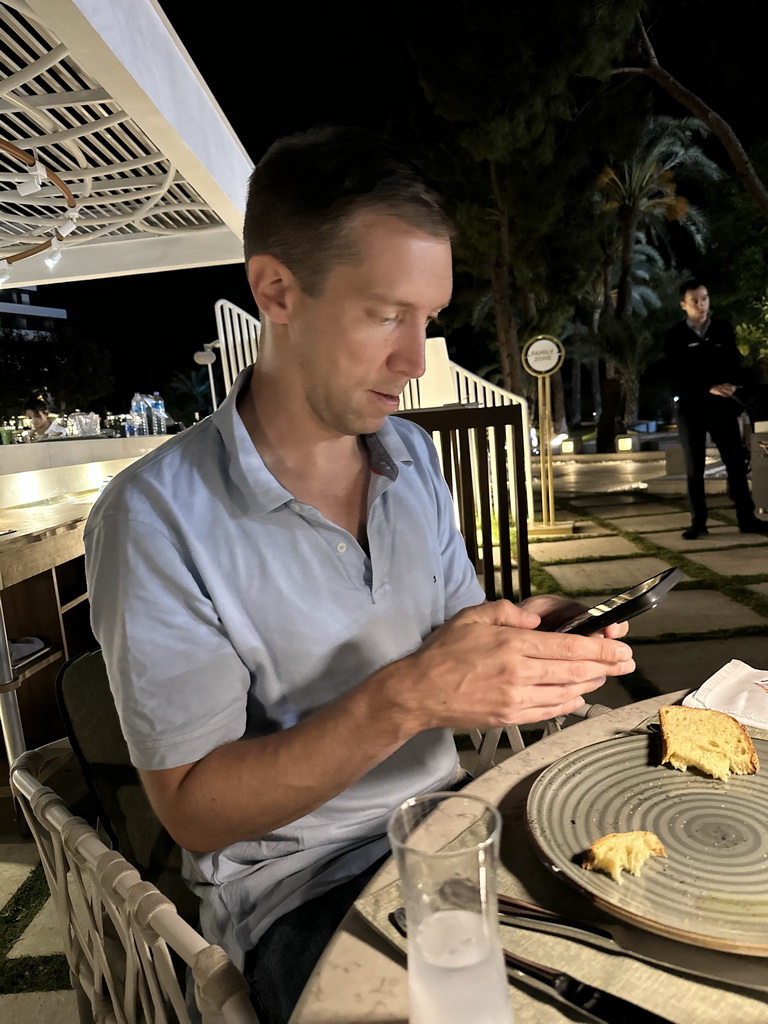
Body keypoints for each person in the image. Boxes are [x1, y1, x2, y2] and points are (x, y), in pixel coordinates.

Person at [84, 125, 634, 1024]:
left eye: (429, 320)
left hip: (459, 832)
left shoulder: (411, 457)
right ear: (277, 291)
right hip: (303, 898)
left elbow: (458, 636)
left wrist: (540, 637)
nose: (415, 362)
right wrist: (409, 698)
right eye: (386, 314)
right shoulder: (154, 518)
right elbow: (194, 811)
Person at [664, 280, 768, 540]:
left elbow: (732, 362)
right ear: (683, 305)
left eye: (705, 299)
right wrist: (708, 386)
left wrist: (735, 386)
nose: (701, 305)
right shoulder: (674, 336)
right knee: (694, 466)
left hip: (722, 407)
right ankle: (698, 522)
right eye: (695, 301)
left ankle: (747, 518)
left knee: (735, 462)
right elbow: (676, 375)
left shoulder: (722, 329)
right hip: (691, 408)